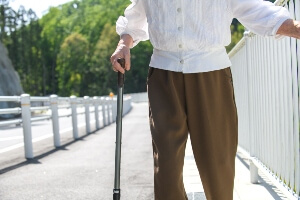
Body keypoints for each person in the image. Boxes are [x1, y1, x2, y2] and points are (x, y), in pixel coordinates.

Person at [110, 0, 300, 199]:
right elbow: (136, 18)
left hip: (211, 73)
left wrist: (295, 28)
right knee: (166, 165)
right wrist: (124, 44)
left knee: (217, 165)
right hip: (164, 75)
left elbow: (256, 10)